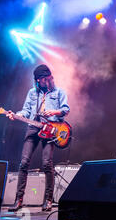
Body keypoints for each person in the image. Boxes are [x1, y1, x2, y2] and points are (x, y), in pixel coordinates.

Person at [7, 64, 70, 212]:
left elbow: (66, 109)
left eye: (49, 78)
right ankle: (18, 200)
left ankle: (48, 200)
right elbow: (26, 110)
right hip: (33, 127)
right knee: (24, 162)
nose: (47, 82)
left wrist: (54, 111)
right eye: (44, 79)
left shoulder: (59, 92)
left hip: (50, 130)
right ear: (37, 80)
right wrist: (16, 115)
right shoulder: (31, 93)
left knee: (47, 163)